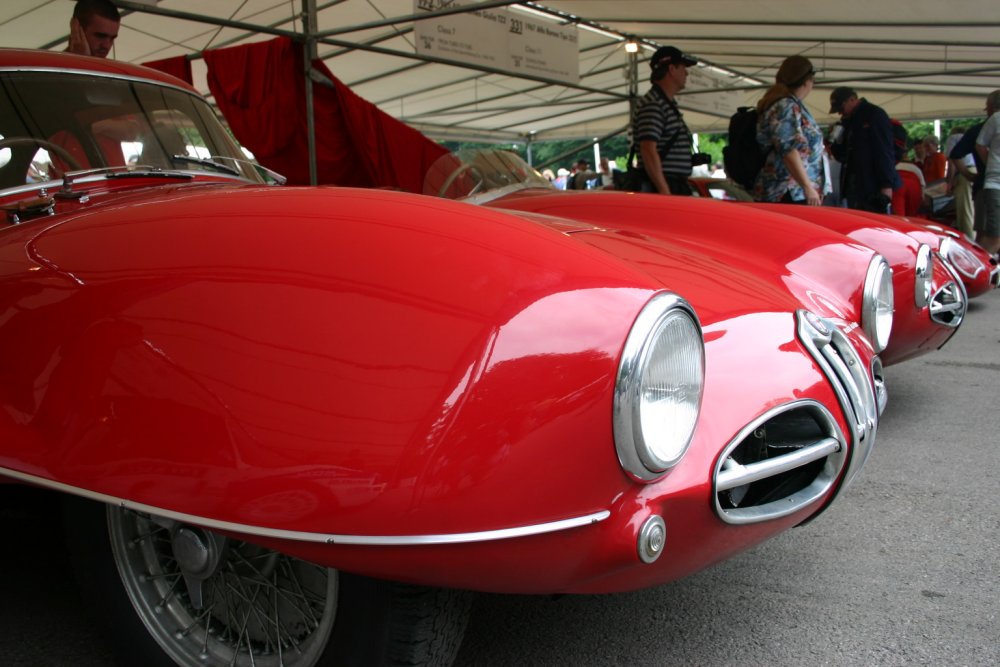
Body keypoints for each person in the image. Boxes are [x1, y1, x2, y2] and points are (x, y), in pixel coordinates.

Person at [751, 55, 823, 205]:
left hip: (792, 190)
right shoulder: (785, 106)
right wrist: (807, 187)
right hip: (787, 191)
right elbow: (788, 150)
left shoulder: (789, 105)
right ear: (807, 81)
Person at [632, 46, 698, 195]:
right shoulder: (653, 104)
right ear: (671, 69)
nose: (686, 73)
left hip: (672, 184)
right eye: (682, 67)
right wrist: (664, 191)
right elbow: (648, 149)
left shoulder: (663, 103)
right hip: (666, 185)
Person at [829, 87, 901, 213]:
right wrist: (837, 139)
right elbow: (841, 155)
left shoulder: (874, 114)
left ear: (852, 100)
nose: (840, 113)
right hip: (853, 185)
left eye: (841, 108)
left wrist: (886, 184)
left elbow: (884, 151)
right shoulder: (847, 121)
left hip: (872, 184)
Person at [973, 89, 1000, 255]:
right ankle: (978, 276)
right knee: (994, 237)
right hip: (996, 184)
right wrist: (991, 164)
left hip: (994, 182)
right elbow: (980, 144)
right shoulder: (996, 119)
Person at [945, 126, 976, 239]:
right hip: (975, 171)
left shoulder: (953, 138)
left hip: (963, 173)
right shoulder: (971, 137)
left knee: (965, 213)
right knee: (973, 211)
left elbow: (952, 161)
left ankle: (969, 243)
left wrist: (949, 182)